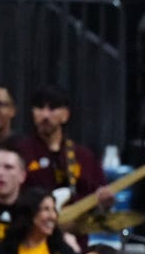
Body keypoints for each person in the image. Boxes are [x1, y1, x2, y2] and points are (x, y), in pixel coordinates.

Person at [17, 84, 112, 217]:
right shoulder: (19, 152)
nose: (45, 115)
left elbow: (99, 203)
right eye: (39, 108)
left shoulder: (83, 157)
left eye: (52, 108)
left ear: (65, 115)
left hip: (75, 232)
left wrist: (105, 203)